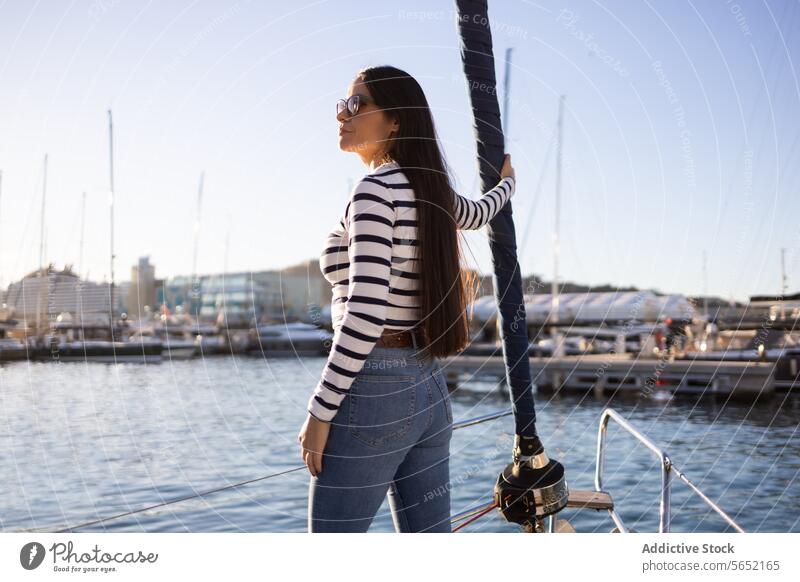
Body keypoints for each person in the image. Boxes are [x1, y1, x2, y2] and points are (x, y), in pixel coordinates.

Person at [297, 65, 516, 532]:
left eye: (357, 104)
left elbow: (365, 313)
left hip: (375, 390)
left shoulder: (375, 192)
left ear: (395, 120)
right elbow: (480, 213)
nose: (343, 115)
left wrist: (320, 410)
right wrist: (508, 185)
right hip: (429, 387)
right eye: (342, 105)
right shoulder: (430, 191)